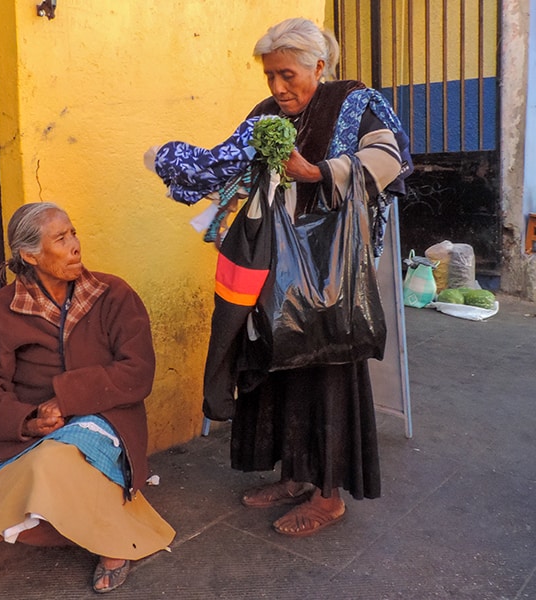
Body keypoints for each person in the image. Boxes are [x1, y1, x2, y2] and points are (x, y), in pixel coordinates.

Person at [145, 17, 412, 537]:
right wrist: (177, 164)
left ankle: (328, 495)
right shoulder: (266, 115)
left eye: (287, 74)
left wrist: (314, 172)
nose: (277, 87)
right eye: (269, 76)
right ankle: (294, 476)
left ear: (319, 64)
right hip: (276, 265)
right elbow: (227, 165)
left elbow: (390, 159)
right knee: (277, 361)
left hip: (330, 272)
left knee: (325, 372)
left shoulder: (355, 102)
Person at [0, 202, 175, 593]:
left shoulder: (113, 294)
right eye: (61, 238)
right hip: (35, 429)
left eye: (73, 233)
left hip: (105, 416)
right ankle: (87, 522)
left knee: (62, 458)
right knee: (40, 468)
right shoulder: (3, 311)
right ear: (30, 255)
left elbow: (138, 372)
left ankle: (113, 542)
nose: (75, 245)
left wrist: (68, 399)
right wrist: (26, 420)